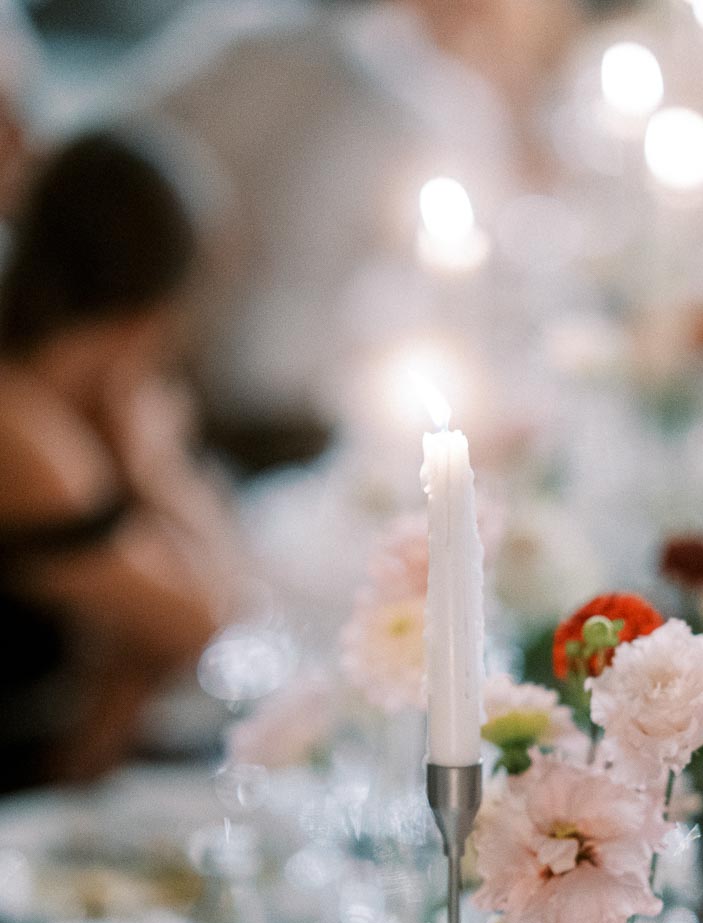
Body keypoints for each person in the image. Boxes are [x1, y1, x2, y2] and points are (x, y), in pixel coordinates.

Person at [113, 0, 582, 458]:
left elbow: (118, 139)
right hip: (290, 414)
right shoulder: (441, 107)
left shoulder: (249, 36)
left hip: (178, 372)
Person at [0, 129, 241, 790]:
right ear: (154, 311)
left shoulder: (51, 401)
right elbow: (204, 620)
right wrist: (154, 468)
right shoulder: (25, 431)